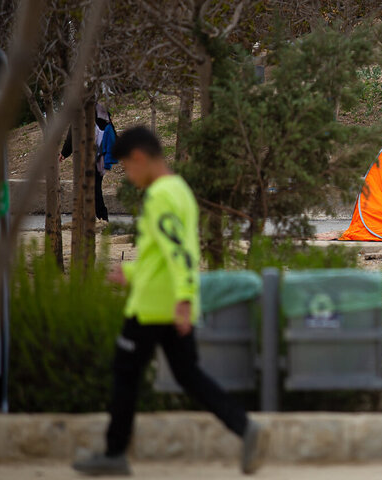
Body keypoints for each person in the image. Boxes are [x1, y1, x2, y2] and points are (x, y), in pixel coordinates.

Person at [71, 127, 267, 477]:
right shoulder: (180, 191)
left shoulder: (161, 195)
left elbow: (180, 252)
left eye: (128, 170)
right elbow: (164, 255)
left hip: (152, 310)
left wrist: (183, 301)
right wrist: (131, 275)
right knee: (188, 375)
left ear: (140, 159)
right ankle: (244, 426)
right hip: (165, 302)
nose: (130, 178)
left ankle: (115, 453)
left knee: (124, 372)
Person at [59, 102, 118, 222]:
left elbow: (72, 133)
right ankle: (99, 217)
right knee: (95, 186)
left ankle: (98, 217)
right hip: (101, 155)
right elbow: (111, 132)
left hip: (89, 156)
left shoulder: (82, 110)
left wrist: (64, 153)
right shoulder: (101, 110)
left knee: (90, 186)